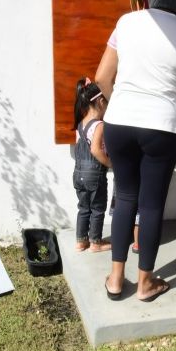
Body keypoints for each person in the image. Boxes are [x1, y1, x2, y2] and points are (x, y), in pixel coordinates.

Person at [95, 0, 176, 302]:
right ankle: (146, 282)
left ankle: (116, 279)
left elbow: (102, 77)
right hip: (162, 127)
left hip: (119, 122)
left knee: (125, 198)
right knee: (150, 205)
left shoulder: (127, 22)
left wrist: (120, 103)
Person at [72, 78, 111, 253]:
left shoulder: (80, 124)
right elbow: (95, 150)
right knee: (97, 208)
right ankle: (95, 242)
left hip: (78, 173)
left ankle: (81, 242)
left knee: (83, 207)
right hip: (94, 174)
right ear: (101, 102)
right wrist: (111, 164)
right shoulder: (99, 125)